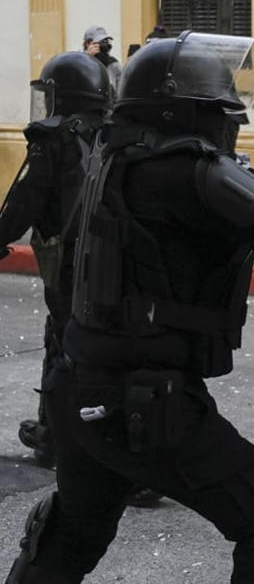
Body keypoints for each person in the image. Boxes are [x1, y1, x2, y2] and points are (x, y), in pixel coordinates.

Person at [5, 31, 254, 584]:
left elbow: (217, 200)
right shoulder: (182, 165)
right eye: (216, 107)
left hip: (80, 381)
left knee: (73, 532)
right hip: (143, 400)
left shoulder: (123, 151)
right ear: (182, 110)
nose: (225, 119)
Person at [0, 52, 110, 469]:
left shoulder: (53, 139)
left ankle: (58, 438)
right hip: (111, 261)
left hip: (68, 264)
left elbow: (24, 202)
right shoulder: (115, 133)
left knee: (63, 344)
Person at [82, 25, 121, 96]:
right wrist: (88, 57)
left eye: (106, 41)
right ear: (88, 44)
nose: (105, 45)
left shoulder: (113, 62)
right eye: (101, 42)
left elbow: (120, 87)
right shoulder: (79, 61)